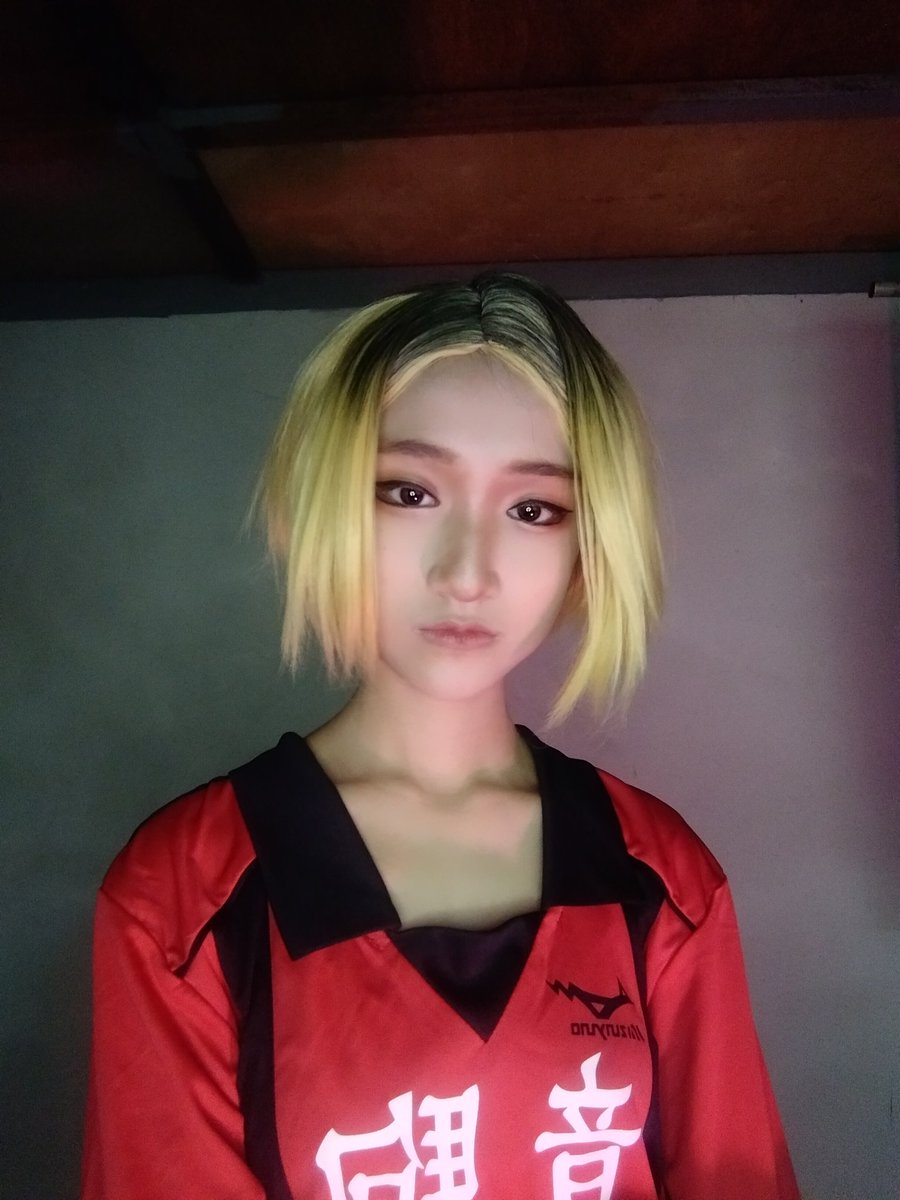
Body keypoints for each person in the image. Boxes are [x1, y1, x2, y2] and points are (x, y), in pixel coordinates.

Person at [82, 273, 799, 1199]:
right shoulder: (183, 896)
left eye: (533, 509)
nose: (467, 572)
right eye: (408, 492)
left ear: (589, 546)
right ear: (317, 506)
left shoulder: (661, 877)